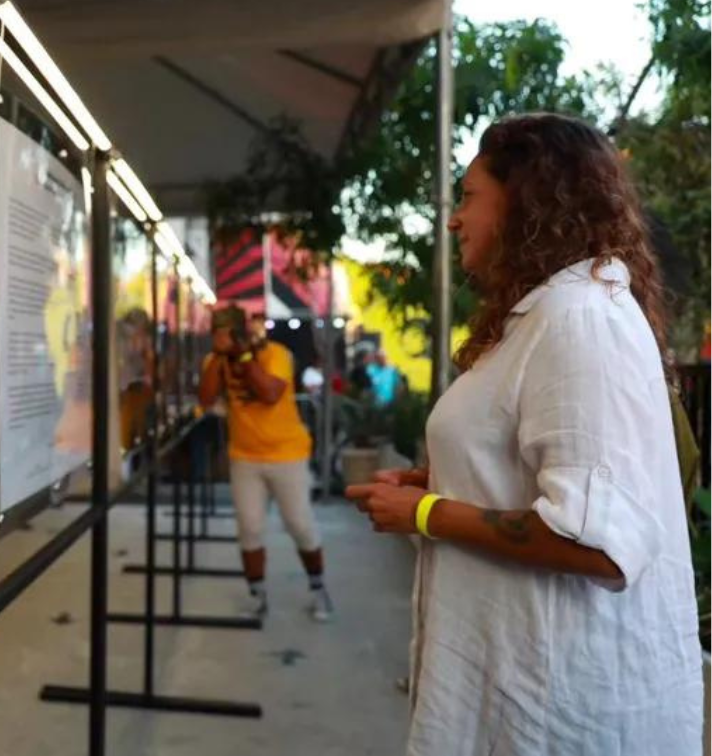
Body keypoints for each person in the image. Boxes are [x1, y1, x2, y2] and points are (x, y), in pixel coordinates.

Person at [348, 113, 703, 755]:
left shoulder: (579, 319)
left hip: (561, 715)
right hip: (528, 699)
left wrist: (425, 511)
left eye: (468, 196)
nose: (454, 219)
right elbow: (552, 474)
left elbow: (599, 543)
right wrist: (447, 478)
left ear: (525, 199)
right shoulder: (552, 314)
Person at [199, 306, 332, 622]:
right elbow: (204, 399)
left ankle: (319, 588)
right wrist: (219, 359)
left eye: (225, 332)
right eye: (215, 332)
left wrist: (243, 357)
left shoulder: (276, 353)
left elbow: (270, 393)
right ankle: (257, 596)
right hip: (245, 456)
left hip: (287, 454)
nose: (220, 337)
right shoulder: (214, 362)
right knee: (249, 528)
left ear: (239, 331)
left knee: (299, 524)